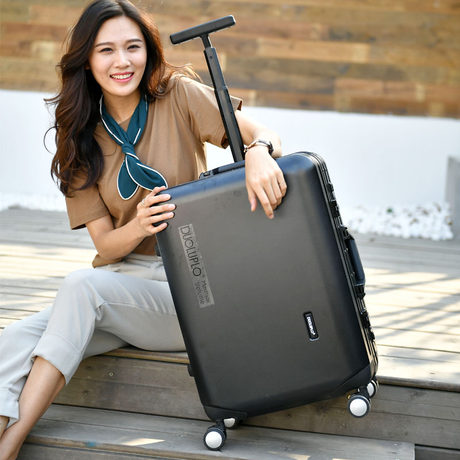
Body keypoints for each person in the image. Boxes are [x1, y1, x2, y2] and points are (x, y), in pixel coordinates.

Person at [0, 0, 286, 457]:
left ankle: (11, 444)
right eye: (106, 50)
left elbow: (258, 132)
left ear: (148, 51)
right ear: (87, 61)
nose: (122, 61)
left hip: (195, 288)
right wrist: (137, 226)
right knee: (11, 342)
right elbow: (106, 245)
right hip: (125, 285)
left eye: (133, 47)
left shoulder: (177, 95)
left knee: (81, 288)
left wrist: (258, 152)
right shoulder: (79, 135)